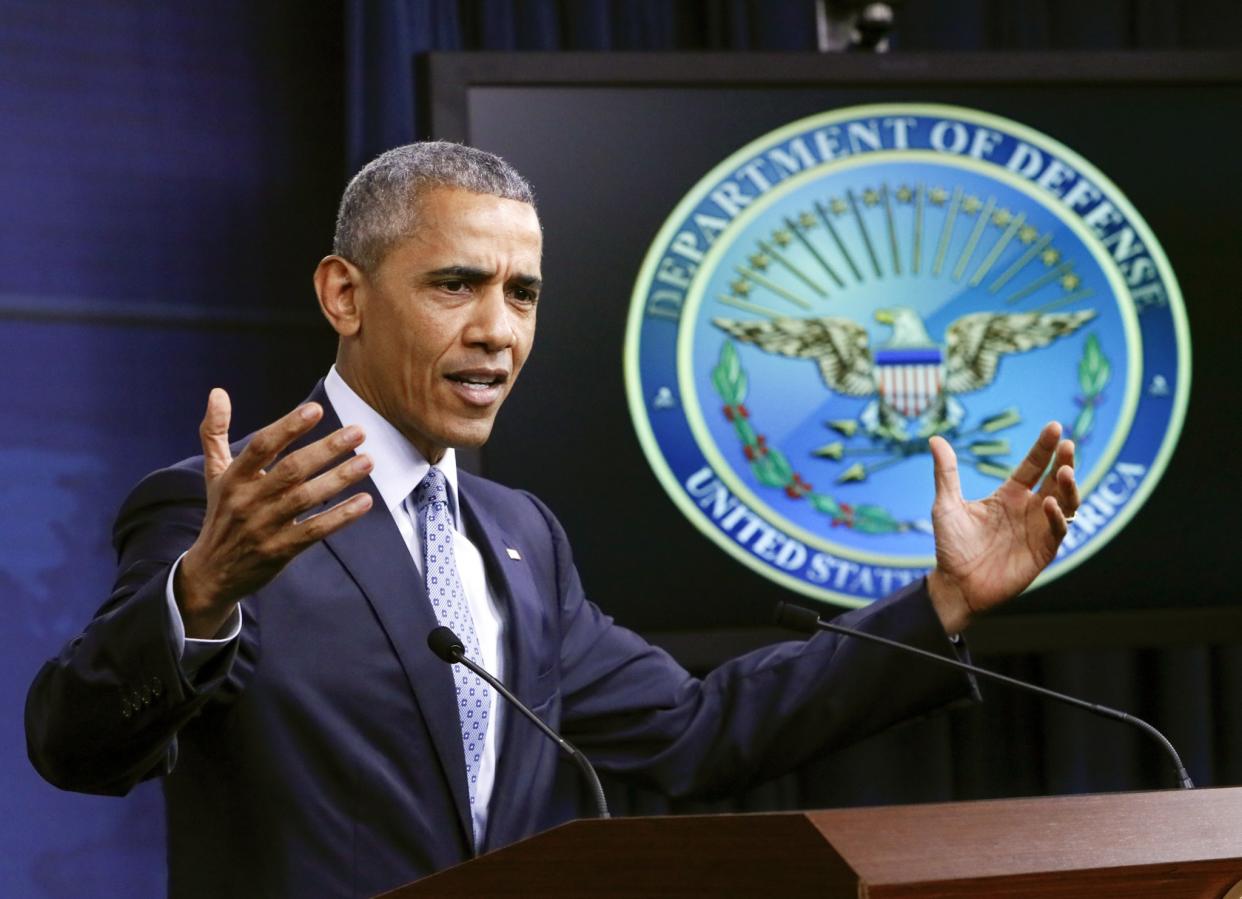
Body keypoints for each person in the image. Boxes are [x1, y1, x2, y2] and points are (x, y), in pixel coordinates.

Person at [26, 142, 1080, 898]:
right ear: (345, 295)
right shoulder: (228, 513)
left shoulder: (519, 532)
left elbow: (697, 732)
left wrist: (940, 601)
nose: (498, 330)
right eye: (455, 285)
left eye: (522, 293)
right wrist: (199, 593)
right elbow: (75, 744)